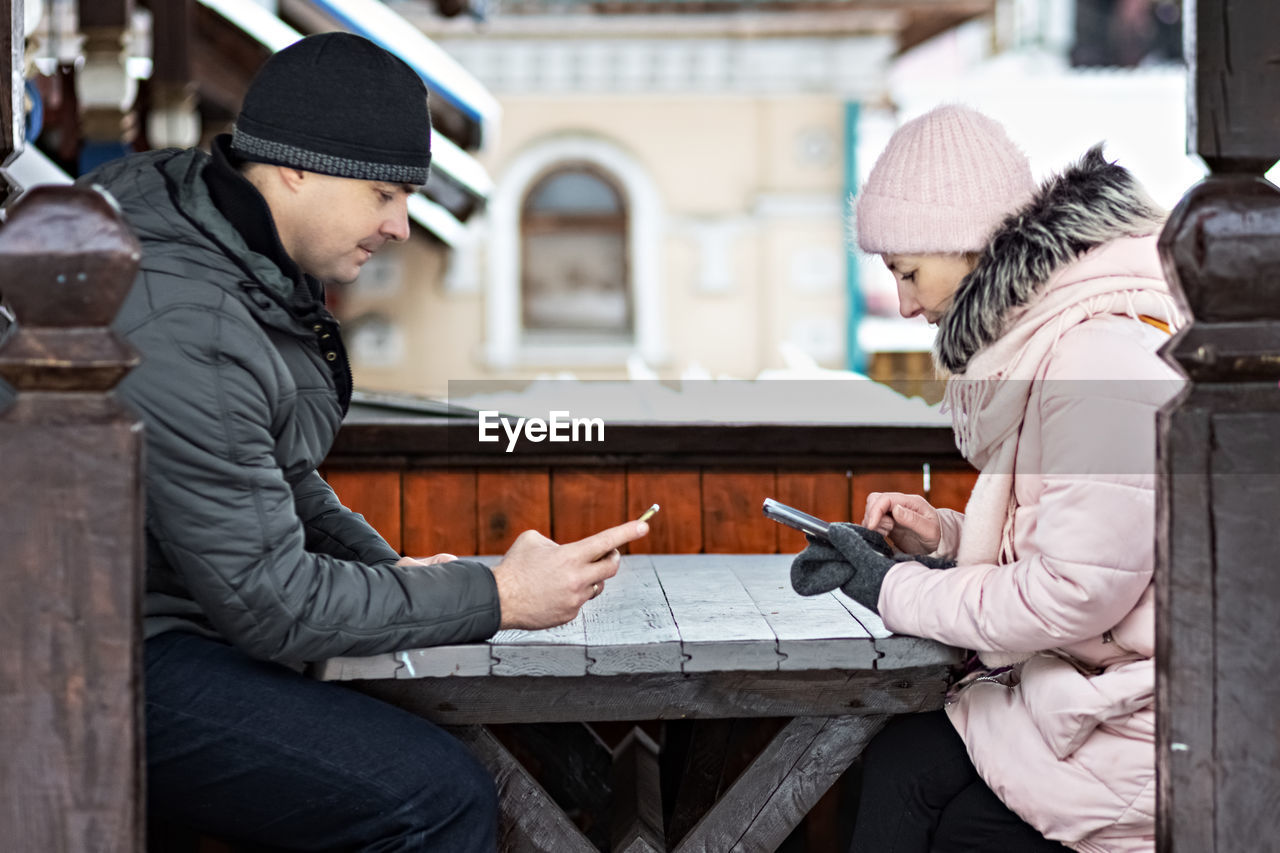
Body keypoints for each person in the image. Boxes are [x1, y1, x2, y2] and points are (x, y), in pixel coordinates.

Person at [81, 33, 648, 851]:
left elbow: (274, 474)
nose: (401, 227)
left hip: (149, 625)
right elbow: (272, 602)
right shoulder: (188, 317)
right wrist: (500, 595)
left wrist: (384, 569)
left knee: (495, 753)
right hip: (87, 659)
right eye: (385, 194)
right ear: (294, 166)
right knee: (436, 795)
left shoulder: (231, 255)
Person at [791, 105, 1182, 852]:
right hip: (1089, 697)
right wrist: (944, 537)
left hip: (1139, 732)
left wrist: (892, 588)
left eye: (908, 272)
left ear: (967, 244)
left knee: (934, 806)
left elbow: (1071, 592)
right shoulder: (1060, 336)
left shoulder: (1095, 357)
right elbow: (1092, 536)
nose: (904, 305)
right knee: (900, 756)